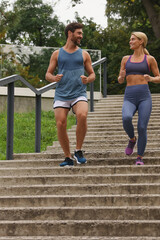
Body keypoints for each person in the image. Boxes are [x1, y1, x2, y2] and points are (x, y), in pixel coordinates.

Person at [45, 22, 96, 167]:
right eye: (79, 33)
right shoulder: (57, 54)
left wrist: (88, 79)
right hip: (61, 94)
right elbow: (48, 74)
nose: (81, 36)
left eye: (81, 33)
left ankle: (78, 151)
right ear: (70, 33)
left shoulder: (84, 54)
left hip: (79, 93)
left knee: (82, 115)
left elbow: (92, 74)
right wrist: (53, 78)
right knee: (60, 123)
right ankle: (68, 157)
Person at [117, 31, 160, 165]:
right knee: (126, 118)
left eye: (133, 39)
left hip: (144, 96)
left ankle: (139, 157)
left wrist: (151, 78)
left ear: (141, 41)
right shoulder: (125, 59)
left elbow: (159, 77)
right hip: (129, 95)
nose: (130, 42)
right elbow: (120, 80)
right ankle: (132, 139)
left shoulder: (150, 59)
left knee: (142, 127)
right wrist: (121, 76)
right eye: (130, 39)